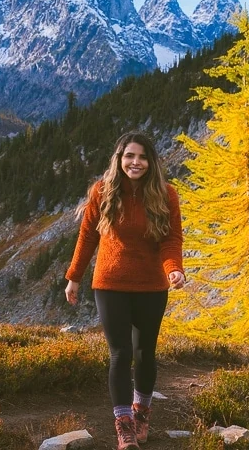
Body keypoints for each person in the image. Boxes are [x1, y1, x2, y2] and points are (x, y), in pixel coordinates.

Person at [64, 131, 184, 450]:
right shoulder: (102, 192)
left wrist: (173, 269)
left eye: (142, 157)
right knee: (120, 353)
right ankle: (124, 426)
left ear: (151, 162)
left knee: (145, 353)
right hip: (110, 285)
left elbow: (171, 241)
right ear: (119, 159)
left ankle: (141, 412)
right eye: (130, 155)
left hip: (151, 286)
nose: (136, 162)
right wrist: (74, 276)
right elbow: (88, 236)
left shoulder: (166, 195)